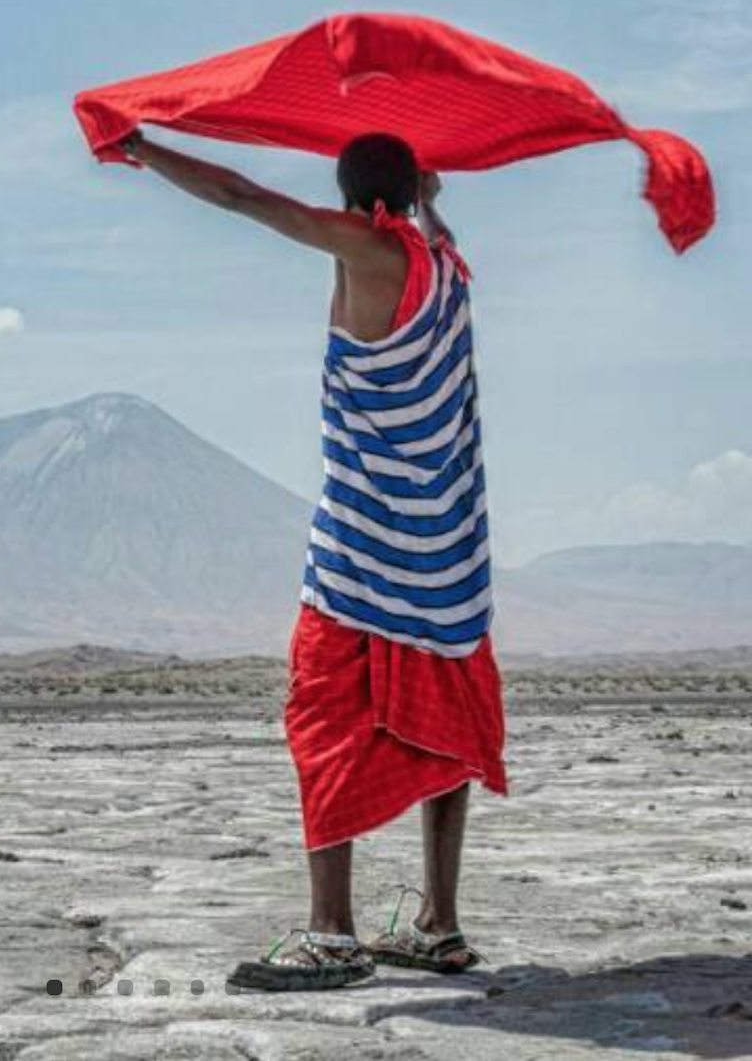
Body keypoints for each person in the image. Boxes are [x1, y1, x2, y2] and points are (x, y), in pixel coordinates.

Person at [116, 127, 508, 991]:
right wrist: (433, 200)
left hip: (364, 558)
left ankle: (333, 934)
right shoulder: (446, 266)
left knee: (323, 722)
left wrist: (141, 146)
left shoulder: (368, 249)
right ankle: (439, 926)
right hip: (447, 566)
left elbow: (245, 199)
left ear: (345, 196)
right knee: (444, 732)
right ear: (412, 194)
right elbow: (433, 228)